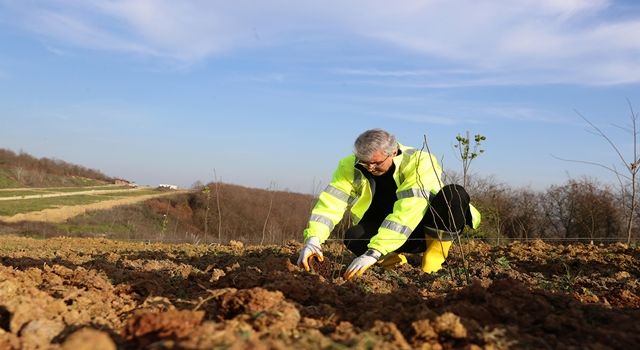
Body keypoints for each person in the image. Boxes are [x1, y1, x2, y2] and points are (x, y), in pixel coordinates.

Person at [297, 128, 481, 280]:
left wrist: (374, 251)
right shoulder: (349, 166)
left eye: (375, 163)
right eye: (364, 162)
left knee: (455, 193)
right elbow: (331, 203)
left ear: (393, 152)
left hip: (424, 230)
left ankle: (433, 258)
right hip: (385, 230)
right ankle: (394, 263)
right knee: (354, 236)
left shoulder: (420, 161)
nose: (370, 168)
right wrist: (313, 239)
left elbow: (409, 209)